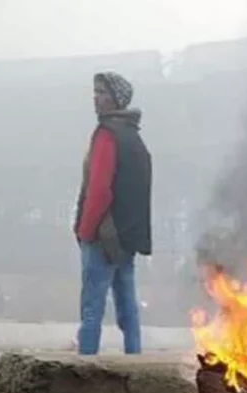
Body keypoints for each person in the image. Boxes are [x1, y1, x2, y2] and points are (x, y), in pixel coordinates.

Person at [73, 72, 152, 355]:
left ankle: (85, 363)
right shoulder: (134, 137)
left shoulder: (107, 135)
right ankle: (135, 358)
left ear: (116, 99)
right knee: (127, 303)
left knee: (92, 305)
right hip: (127, 237)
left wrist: (86, 231)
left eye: (102, 93)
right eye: (95, 92)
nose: (96, 98)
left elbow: (99, 189)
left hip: (102, 235)